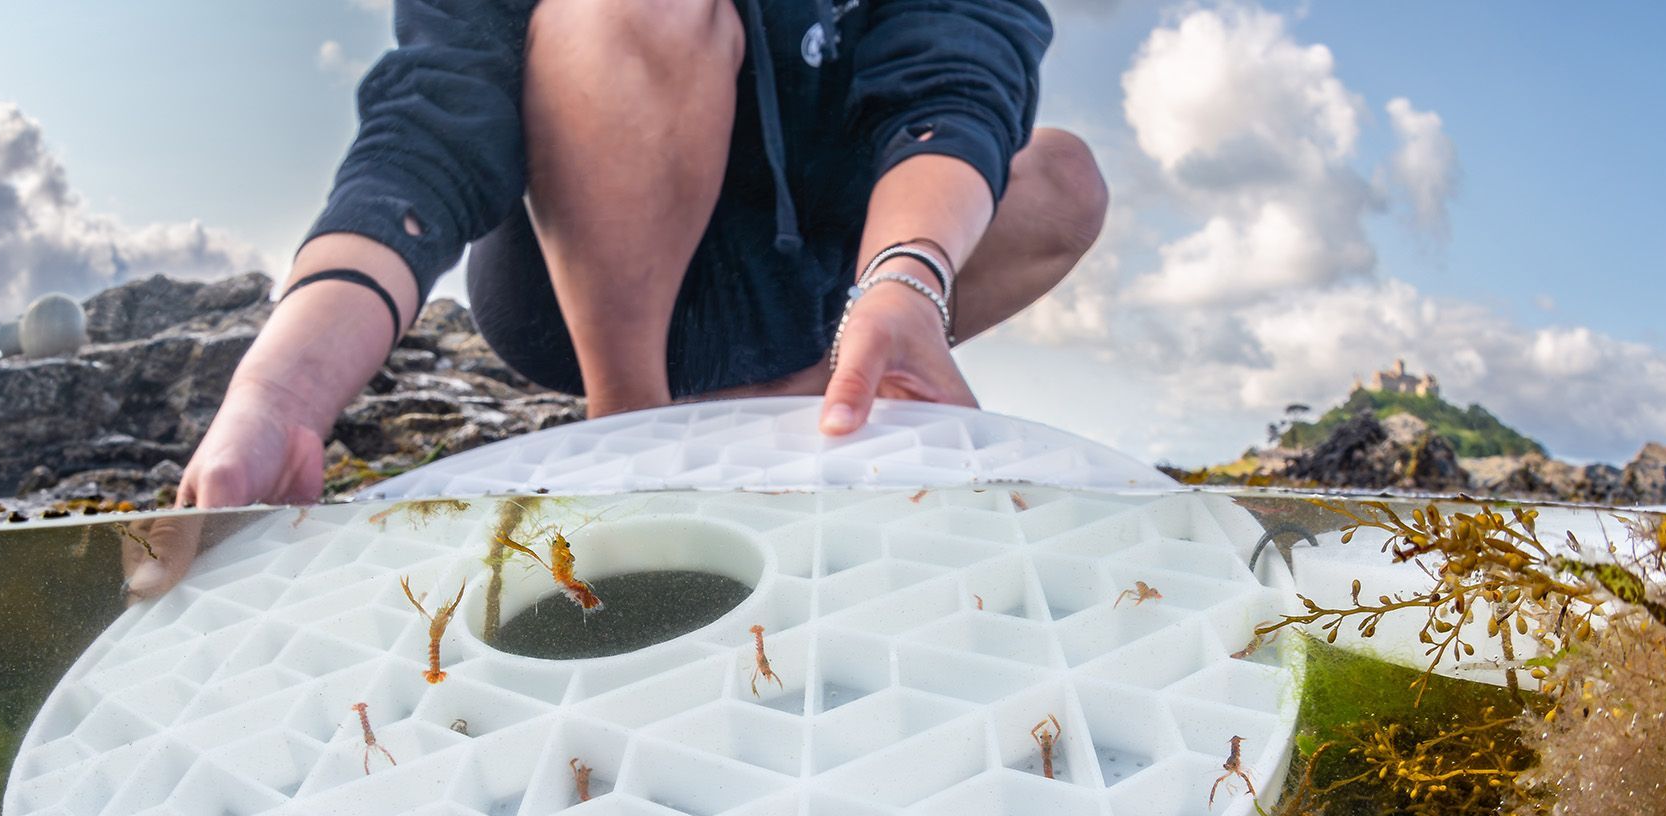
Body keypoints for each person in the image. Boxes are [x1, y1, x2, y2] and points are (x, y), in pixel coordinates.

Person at [131, 0, 1105, 594]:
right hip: (579, 276)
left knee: (1061, 175)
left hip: (816, 267)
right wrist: (281, 396)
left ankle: (803, 396)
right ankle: (627, 430)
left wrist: (906, 279)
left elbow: (954, 85)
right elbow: (425, 136)